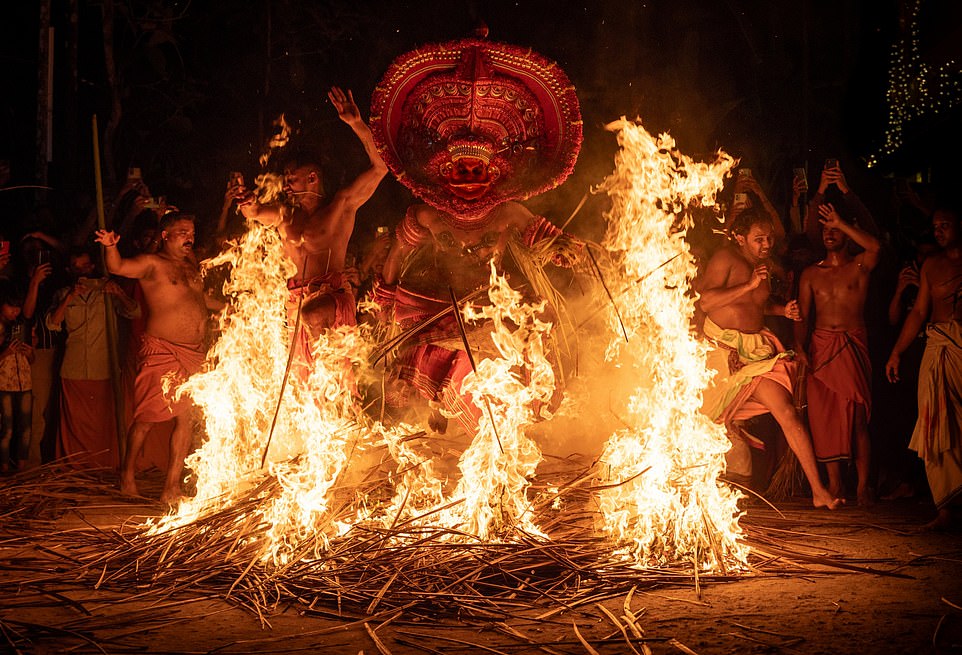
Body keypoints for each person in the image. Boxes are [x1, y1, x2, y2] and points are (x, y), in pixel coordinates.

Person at [697, 209, 842, 509]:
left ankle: (819, 490)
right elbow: (707, 301)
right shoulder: (725, 259)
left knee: (787, 412)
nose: (766, 244)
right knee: (706, 424)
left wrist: (781, 311)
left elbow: (755, 306)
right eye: (758, 239)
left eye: (769, 239)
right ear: (739, 238)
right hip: (719, 353)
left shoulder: (762, 267)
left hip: (756, 353)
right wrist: (749, 285)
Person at [237, 87, 387, 361]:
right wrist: (246, 201)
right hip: (297, 303)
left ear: (313, 178)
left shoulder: (341, 205)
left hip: (329, 301)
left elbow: (380, 168)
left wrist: (357, 124)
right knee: (305, 386)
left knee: (315, 322)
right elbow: (255, 211)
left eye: (291, 179)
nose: (287, 186)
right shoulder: (285, 215)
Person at [96, 213, 222, 504]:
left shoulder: (191, 265)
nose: (189, 237)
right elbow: (117, 267)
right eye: (181, 232)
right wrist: (111, 246)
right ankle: (127, 476)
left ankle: (171, 488)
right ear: (165, 235)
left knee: (186, 419)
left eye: (191, 232)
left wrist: (231, 307)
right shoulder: (152, 264)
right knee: (147, 420)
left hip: (193, 352)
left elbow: (200, 301)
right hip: (162, 349)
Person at [793, 202, 880, 505]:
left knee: (857, 419)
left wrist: (841, 221)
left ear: (844, 230)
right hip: (821, 347)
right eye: (825, 229)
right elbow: (802, 316)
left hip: (851, 344)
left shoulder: (859, 265)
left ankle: (863, 487)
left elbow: (875, 247)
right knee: (825, 418)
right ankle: (835, 485)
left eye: (835, 229)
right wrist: (800, 347)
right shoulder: (810, 274)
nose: (829, 234)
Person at [885, 208, 962, 529]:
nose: (939, 230)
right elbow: (918, 313)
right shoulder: (932, 265)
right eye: (935, 226)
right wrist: (896, 352)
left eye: (946, 224)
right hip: (939, 347)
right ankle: (946, 510)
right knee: (936, 422)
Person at [47, 247, 140, 468]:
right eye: (76, 267)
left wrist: (117, 292)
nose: (82, 271)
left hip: (103, 368)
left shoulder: (106, 292)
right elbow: (52, 323)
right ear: (69, 269)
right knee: (74, 425)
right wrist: (70, 296)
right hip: (74, 369)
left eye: (86, 266)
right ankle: (75, 468)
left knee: (102, 423)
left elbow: (134, 312)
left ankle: (103, 466)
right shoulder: (63, 294)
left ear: (93, 266)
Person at [0, 286, 33, 472]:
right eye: (11, 306)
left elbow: (32, 360)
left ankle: (22, 470)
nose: (15, 311)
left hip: (25, 383)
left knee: (26, 429)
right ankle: (4, 470)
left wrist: (30, 354)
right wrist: (6, 352)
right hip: (4, 384)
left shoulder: (22, 326)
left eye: (18, 307)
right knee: (7, 429)